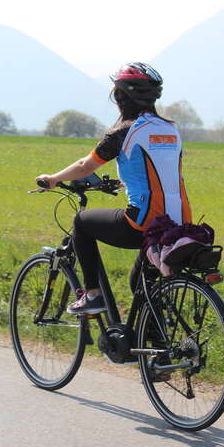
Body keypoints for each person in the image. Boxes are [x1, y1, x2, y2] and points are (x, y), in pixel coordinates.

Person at [36, 62, 192, 315]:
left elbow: (85, 166)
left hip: (141, 224)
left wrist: (53, 178)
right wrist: (123, 183)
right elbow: (160, 173)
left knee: (82, 222)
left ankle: (92, 295)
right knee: (140, 285)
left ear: (120, 97)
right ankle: (152, 348)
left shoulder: (124, 131)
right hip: (178, 223)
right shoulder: (170, 130)